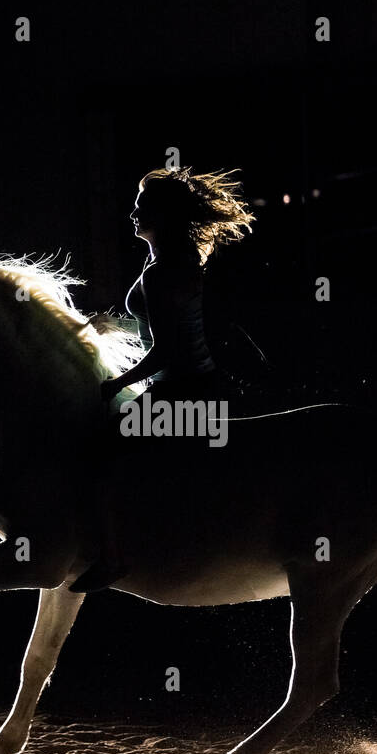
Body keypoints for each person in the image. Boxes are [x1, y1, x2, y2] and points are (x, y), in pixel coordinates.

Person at [69, 167, 255, 593]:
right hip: (196, 388)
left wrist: (117, 386)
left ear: (162, 216)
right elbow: (161, 328)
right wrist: (114, 327)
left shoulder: (162, 270)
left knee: (102, 447)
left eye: (141, 207)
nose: (132, 213)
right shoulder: (174, 261)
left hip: (185, 397)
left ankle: (113, 557)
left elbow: (168, 350)